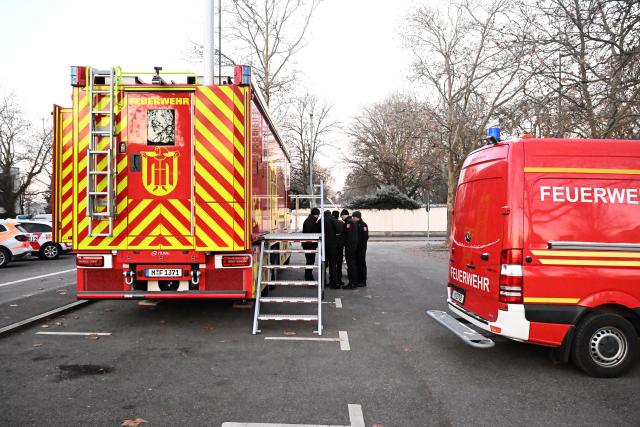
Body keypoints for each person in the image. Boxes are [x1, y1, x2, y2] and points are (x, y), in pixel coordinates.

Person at [341, 209, 359, 289]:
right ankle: (354, 282)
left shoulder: (348, 222)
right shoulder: (353, 221)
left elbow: (347, 235)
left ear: (344, 215)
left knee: (350, 265)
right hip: (353, 246)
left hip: (350, 246)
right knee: (353, 264)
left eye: (341, 216)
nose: (341, 218)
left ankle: (352, 284)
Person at [302, 207, 321, 281]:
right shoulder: (310, 221)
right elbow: (310, 233)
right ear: (316, 214)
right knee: (310, 260)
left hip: (309, 244)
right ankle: (308, 277)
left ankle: (309, 276)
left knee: (310, 260)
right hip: (309, 244)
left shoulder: (310, 220)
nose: (318, 217)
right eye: (318, 215)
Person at [322, 210, 340, 289]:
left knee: (324, 265)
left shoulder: (321, 221)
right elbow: (340, 229)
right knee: (333, 265)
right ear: (330, 214)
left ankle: (323, 283)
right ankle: (333, 283)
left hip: (323, 246)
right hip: (333, 246)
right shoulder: (334, 220)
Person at [352, 211, 369, 287]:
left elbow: (365, 237)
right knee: (357, 264)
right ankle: (358, 279)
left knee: (362, 264)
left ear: (356, 217)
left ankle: (363, 280)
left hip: (361, 248)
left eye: (353, 217)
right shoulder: (355, 224)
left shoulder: (363, 225)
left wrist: (361, 246)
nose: (352, 218)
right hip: (356, 247)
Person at [334, 210, 345, 285]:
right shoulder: (342, 223)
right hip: (340, 246)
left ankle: (332, 280)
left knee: (332, 264)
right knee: (339, 264)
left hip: (332, 246)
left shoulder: (329, 223)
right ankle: (339, 280)